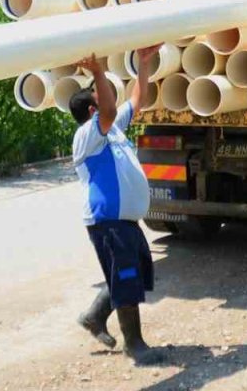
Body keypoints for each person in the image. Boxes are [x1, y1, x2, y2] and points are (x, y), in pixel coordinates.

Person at [71, 45, 164, 366]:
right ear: (91, 111)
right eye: (101, 97)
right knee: (125, 274)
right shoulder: (87, 134)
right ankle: (134, 345)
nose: (109, 99)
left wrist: (143, 64)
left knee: (133, 271)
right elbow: (109, 112)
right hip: (107, 220)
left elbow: (138, 99)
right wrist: (96, 72)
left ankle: (94, 316)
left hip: (123, 221)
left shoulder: (113, 131)